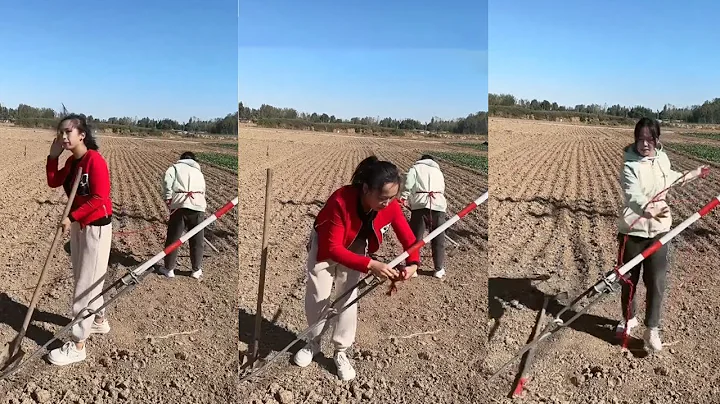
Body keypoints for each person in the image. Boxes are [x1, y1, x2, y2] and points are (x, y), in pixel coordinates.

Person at [293, 155, 421, 381]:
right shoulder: (340, 201)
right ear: (365, 189)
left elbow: (409, 239)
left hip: (358, 246)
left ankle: (341, 351)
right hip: (326, 246)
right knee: (318, 296)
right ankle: (313, 342)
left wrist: (413, 263)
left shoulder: (390, 206)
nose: (389, 203)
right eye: (383, 198)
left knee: (348, 297)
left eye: (393, 197)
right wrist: (370, 265)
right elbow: (332, 248)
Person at [615, 117, 709, 352]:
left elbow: (672, 177)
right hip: (632, 231)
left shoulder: (662, 159)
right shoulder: (629, 165)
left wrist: (695, 173)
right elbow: (632, 194)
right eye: (641, 138)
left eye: (650, 138)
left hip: (660, 232)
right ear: (635, 139)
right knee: (629, 281)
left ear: (657, 139)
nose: (645, 143)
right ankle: (629, 320)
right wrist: (645, 210)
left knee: (656, 281)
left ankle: (652, 328)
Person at [45, 114, 113, 366]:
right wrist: (53, 157)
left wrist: (71, 216)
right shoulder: (74, 162)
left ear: (81, 135)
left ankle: (78, 345)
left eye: (68, 132)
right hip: (79, 226)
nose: (63, 136)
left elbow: (100, 198)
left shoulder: (94, 160)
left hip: (95, 227)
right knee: (87, 278)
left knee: (85, 285)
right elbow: (54, 181)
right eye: (60, 132)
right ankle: (99, 321)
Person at [157, 151, 207, 279]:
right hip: (198, 206)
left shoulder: (175, 168)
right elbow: (203, 189)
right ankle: (196, 270)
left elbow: (167, 181)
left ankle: (169, 269)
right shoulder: (199, 172)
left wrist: (168, 198)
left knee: (174, 237)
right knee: (197, 239)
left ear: (182, 159)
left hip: (180, 205)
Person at [399, 154, 448, 279]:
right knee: (438, 238)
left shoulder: (415, 168)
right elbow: (442, 188)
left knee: (415, 237)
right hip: (438, 205)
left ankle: (412, 267)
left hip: (420, 205)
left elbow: (409, 182)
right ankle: (438, 269)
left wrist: (404, 196)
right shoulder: (438, 171)